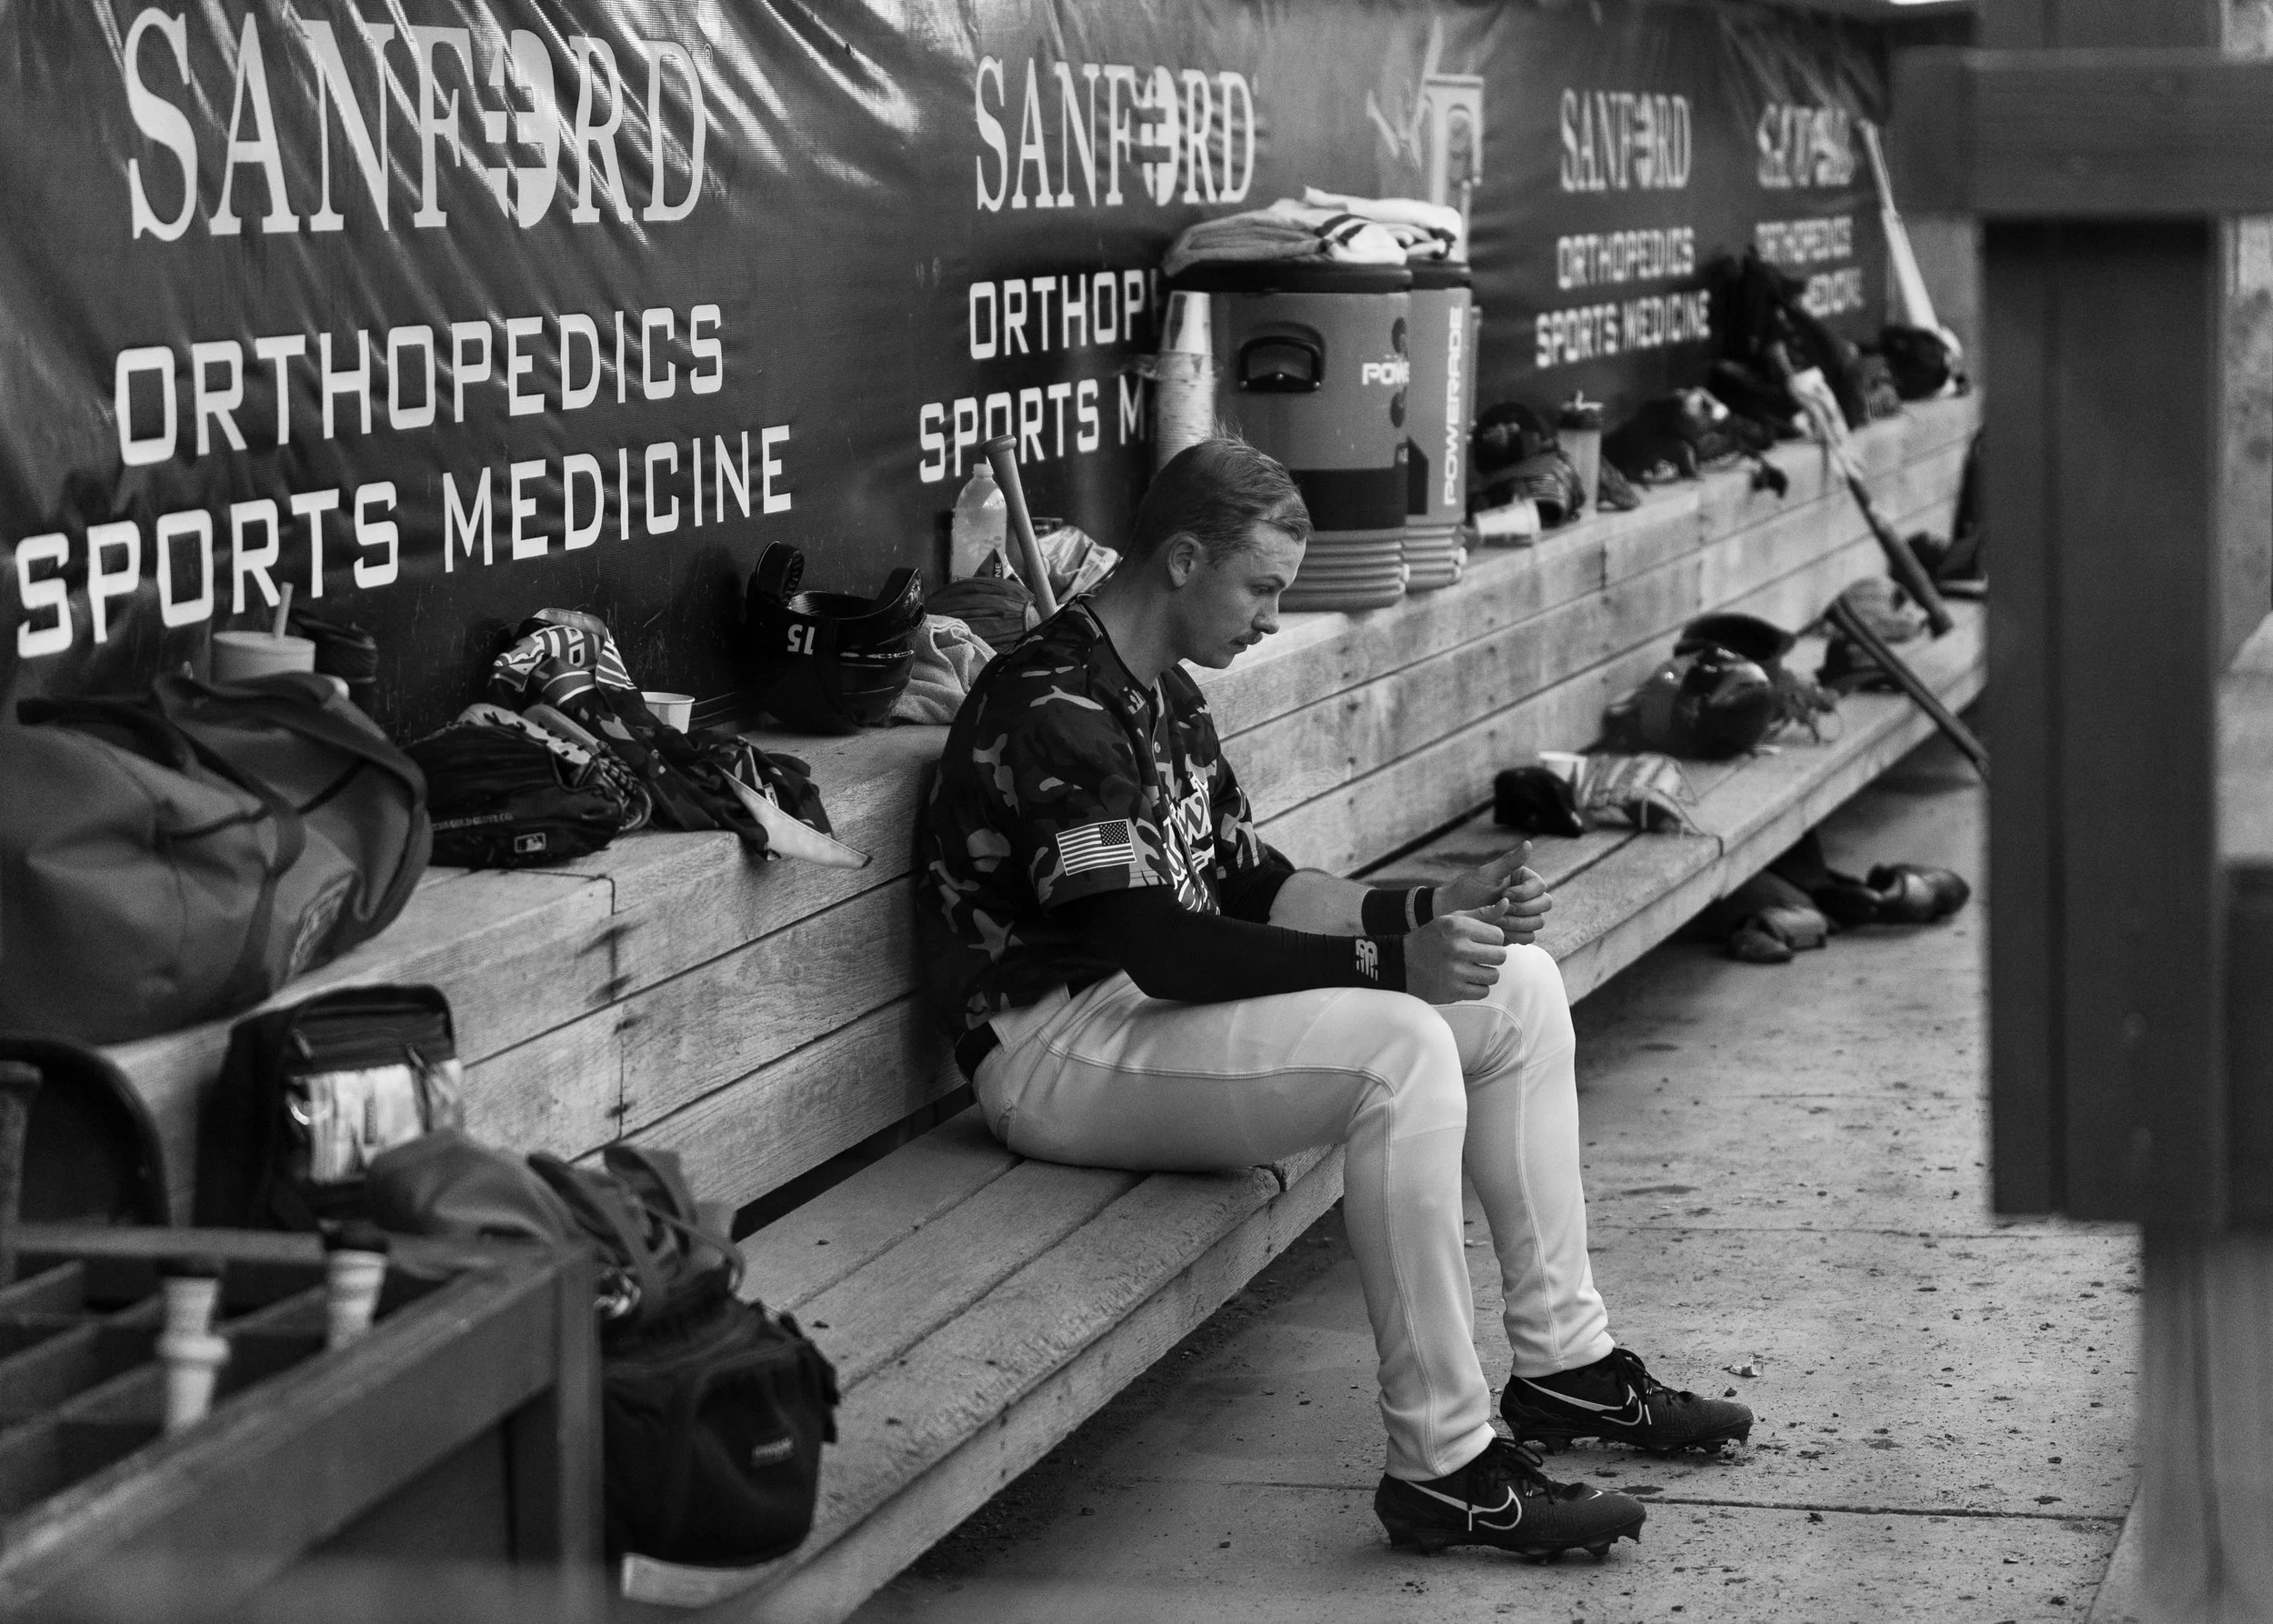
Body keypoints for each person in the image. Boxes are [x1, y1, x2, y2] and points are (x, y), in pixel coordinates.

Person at [915, 438, 1751, 1560]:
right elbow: (1156, 947)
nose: (1273, 618)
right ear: (1181, 559)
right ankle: (1443, 1462)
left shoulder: (1162, 690)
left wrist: (1429, 907)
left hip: (1145, 1018)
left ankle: (1567, 1366)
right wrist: (1388, 968)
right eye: (1260, 587)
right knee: (1398, 1048)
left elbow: (1251, 885)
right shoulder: (1052, 702)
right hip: (1053, 1045)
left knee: (1519, 984)